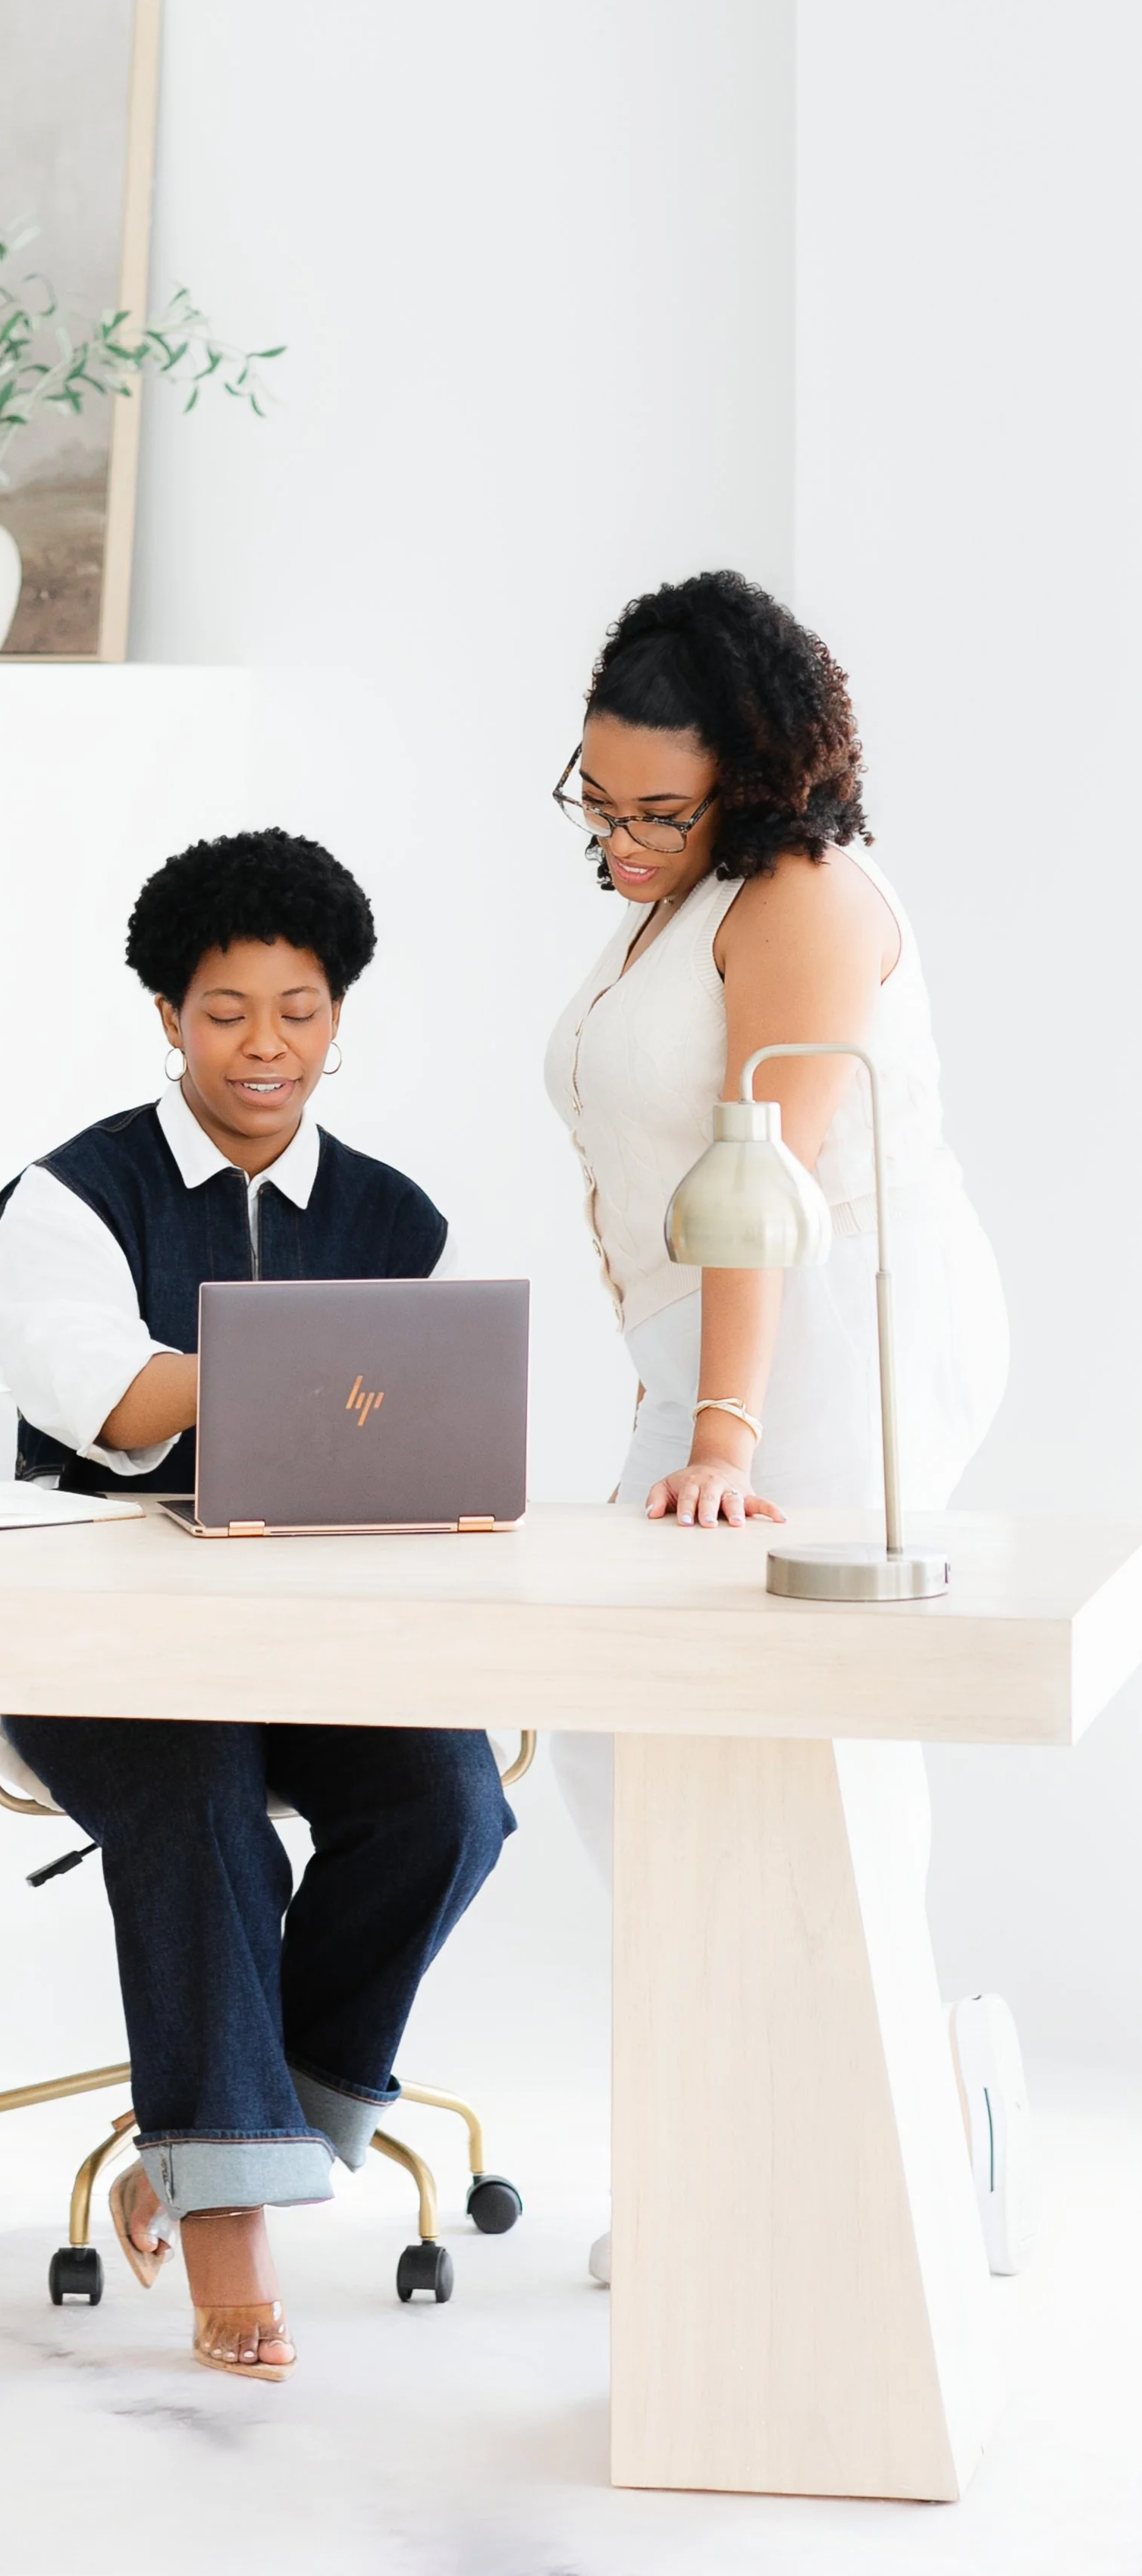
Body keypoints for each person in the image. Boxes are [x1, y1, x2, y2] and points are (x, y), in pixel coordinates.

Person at [0, 828, 512, 2380]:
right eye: (224, 1011)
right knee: (201, 1794)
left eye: (297, 1010)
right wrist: (329, 1381)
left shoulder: (401, 1221)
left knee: (448, 1804)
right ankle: (232, 2235)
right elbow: (118, 1407)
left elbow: (439, 1431)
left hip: (323, 1635)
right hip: (101, 1634)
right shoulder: (70, 1199)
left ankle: (233, 2126)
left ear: (338, 1017)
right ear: (165, 1016)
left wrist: (369, 1405)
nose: (263, 1047)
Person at [544, 567, 1012, 2276]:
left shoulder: (800, 892)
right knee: (623, 1729)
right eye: (594, 803)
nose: (616, 838)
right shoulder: (684, 888)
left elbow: (763, 1179)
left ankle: (862, 2153)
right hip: (718, 1343)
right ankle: (771, 2129)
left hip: (829, 1334)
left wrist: (722, 1434)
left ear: (755, 776)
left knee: (797, 1730)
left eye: (654, 808)